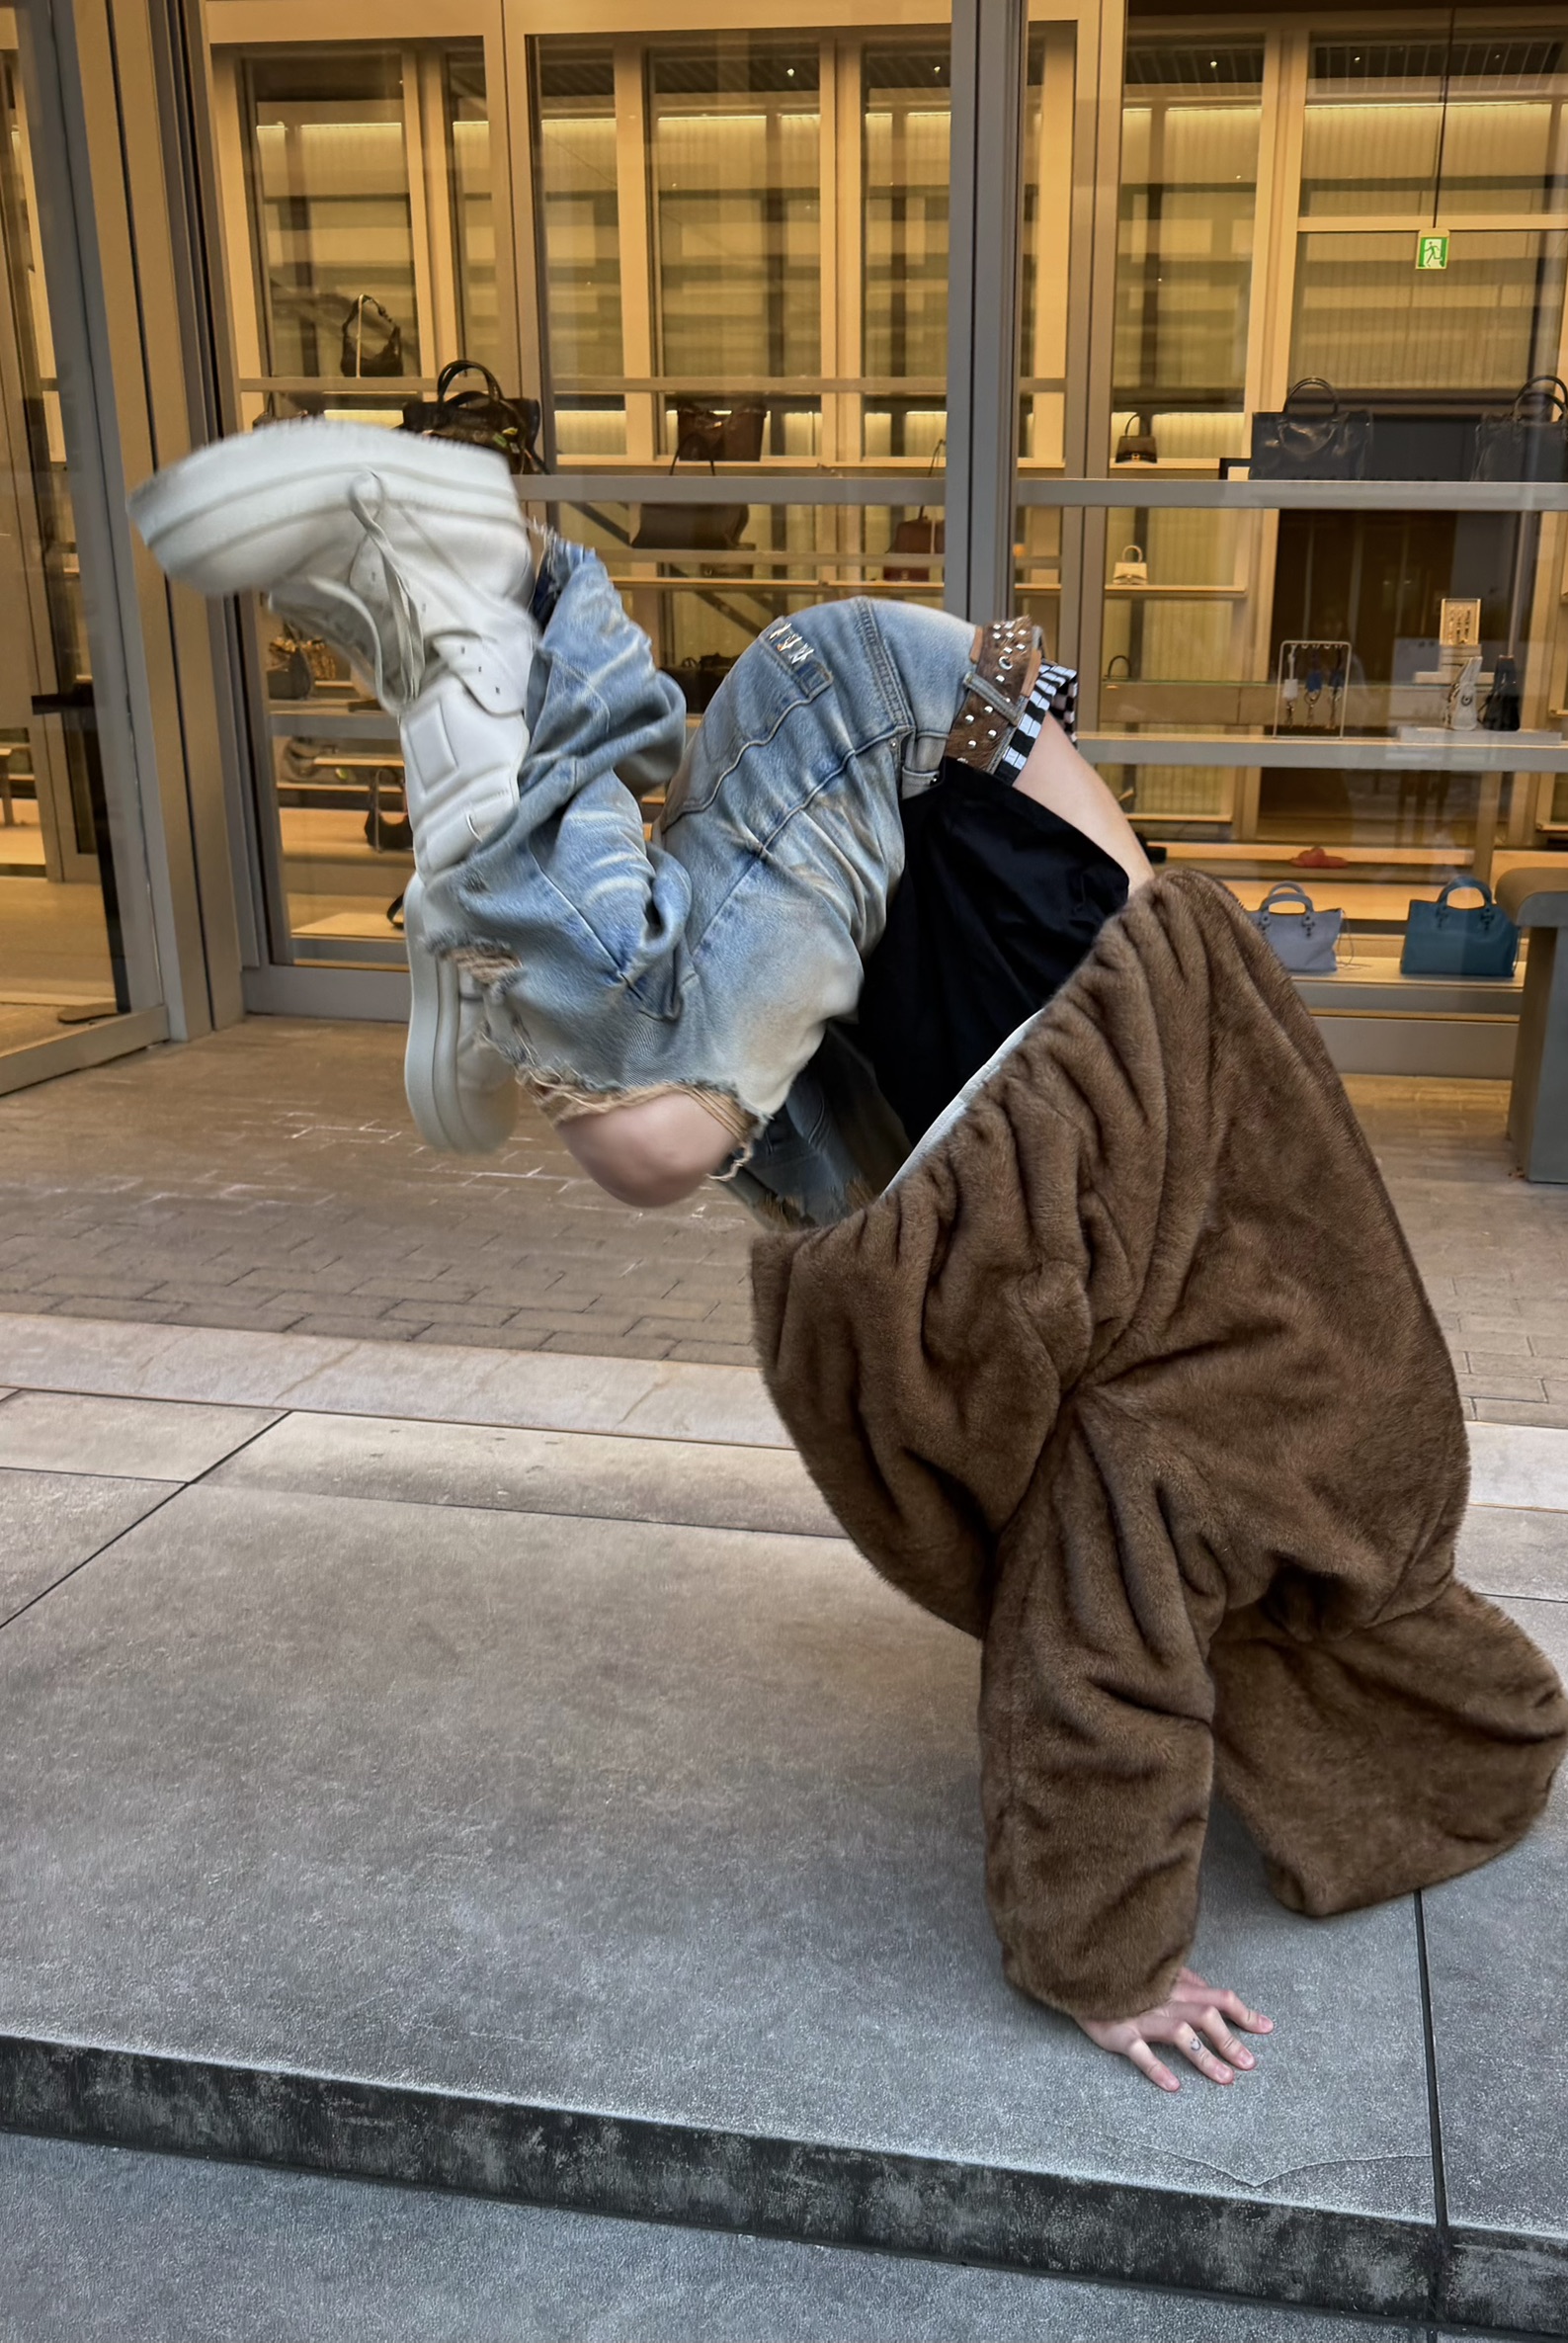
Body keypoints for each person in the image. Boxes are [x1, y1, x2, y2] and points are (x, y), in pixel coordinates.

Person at [130, 418, 1273, 2090]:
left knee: (635, 1136)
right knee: (659, 1126)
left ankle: (492, 867)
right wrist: (1115, 1956)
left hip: (949, 1071)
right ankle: (501, 602)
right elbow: (1106, 1654)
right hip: (907, 734)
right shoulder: (1212, 1442)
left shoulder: (1165, 1385)